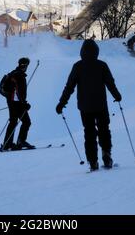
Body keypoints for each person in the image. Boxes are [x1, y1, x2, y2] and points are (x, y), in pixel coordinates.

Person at [56, 39, 122, 171]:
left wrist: (61, 103)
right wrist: (117, 95)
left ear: (82, 52)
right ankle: (106, 155)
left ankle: (92, 161)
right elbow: (110, 83)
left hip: (85, 107)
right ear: (96, 51)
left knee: (89, 133)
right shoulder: (102, 65)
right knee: (104, 129)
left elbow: (69, 87)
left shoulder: (78, 66)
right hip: (101, 105)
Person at [0, 57, 34, 151]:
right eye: (27, 65)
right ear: (25, 65)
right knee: (26, 121)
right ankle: (19, 141)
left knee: (13, 121)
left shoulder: (13, 73)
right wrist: (24, 104)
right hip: (17, 103)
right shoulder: (19, 75)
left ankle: (8, 143)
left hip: (11, 102)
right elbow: (18, 92)